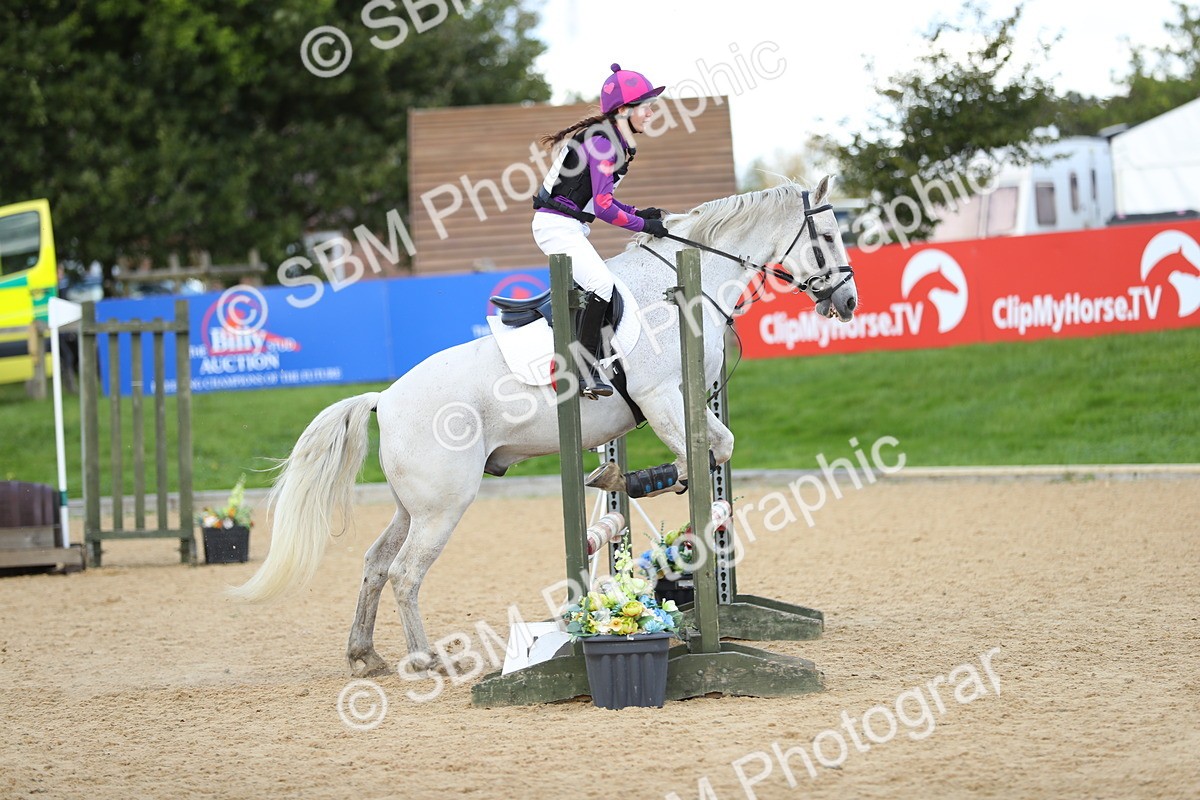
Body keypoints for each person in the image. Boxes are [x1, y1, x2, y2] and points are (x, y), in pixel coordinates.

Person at [532, 63, 670, 399]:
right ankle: (579, 368)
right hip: (556, 227)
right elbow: (606, 208)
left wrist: (639, 213)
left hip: (570, 226)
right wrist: (643, 225)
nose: (652, 113)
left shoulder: (611, 140)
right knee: (601, 284)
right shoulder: (604, 143)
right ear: (623, 110)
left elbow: (602, 201)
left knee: (604, 285)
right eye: (646, 106)